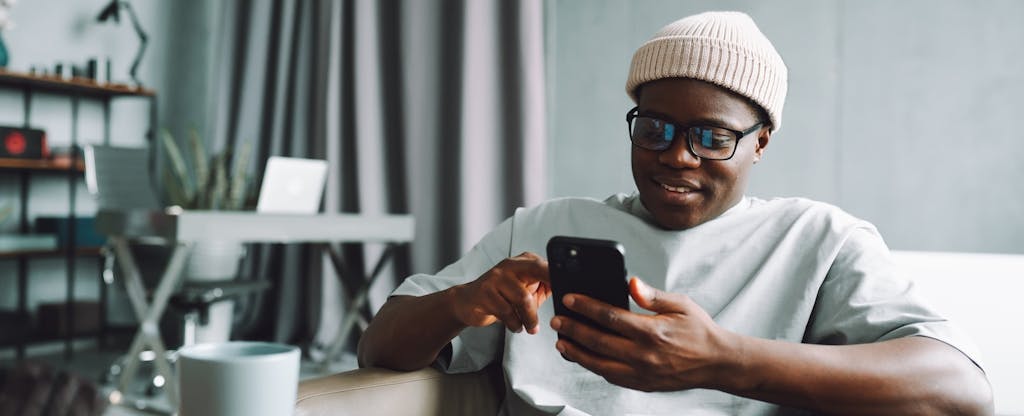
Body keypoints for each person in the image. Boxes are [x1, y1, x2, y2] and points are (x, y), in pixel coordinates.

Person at [358, 11, 993, 415]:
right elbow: (377, 349)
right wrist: (457, 303)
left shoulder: (818, 239)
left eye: (712, 137)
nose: (678, 157)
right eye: (654, 129)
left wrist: (721, 360)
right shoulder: (544, 226)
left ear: (759, 143)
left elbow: (961, 392)